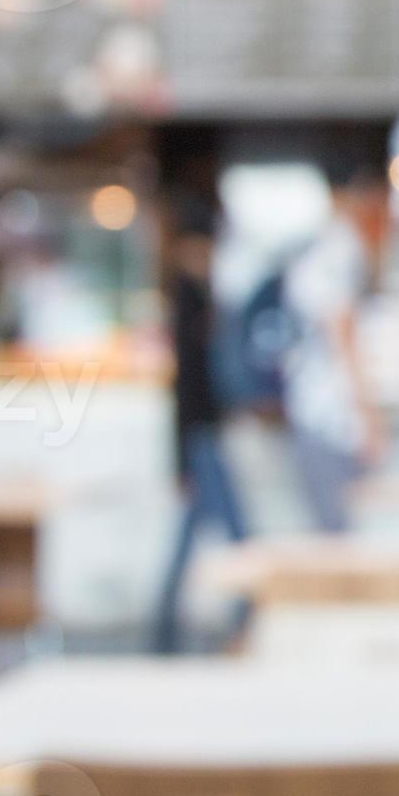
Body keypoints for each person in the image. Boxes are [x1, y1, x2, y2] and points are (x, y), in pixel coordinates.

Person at [150, 142, 245, 655]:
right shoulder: (189, 301)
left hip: (203, 436)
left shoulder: (197, 297)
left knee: (193, 543)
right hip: (201, 437)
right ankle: (239, 623)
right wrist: (182, 456)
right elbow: (186, 383)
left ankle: (164, 631)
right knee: (238, 539)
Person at [279, 160, 391, 533]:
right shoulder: (342, 249)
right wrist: (369, 417)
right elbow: (343, 335)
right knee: (340, 535)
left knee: (334, 529)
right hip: (329, 417)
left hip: (312, 410)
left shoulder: (320, 247)